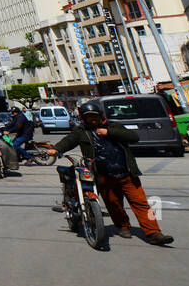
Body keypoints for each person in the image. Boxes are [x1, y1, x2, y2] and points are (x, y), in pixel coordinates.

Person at [42, 100, 173, 245]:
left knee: (141, 203)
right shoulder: (81, 131)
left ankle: (154, 233)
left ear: (100, 115)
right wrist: (56, 149)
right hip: (104, 175)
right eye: (88, 117)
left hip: (127, 172)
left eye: (95, 116)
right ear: (83, 118)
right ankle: (123, 227)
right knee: (114, 204)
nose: (93, 119)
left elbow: (133, 137)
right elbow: (68, 141)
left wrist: (108, 132)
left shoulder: (113, 126)